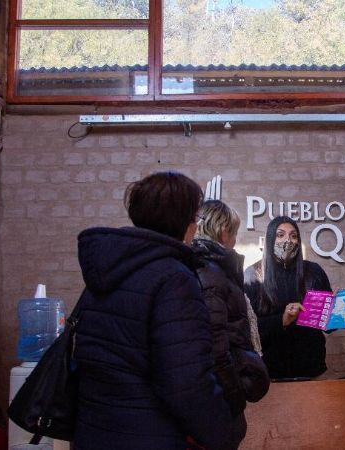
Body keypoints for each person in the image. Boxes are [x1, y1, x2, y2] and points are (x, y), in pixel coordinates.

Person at [72, 172, 231, 450]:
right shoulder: (174, 278)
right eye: (194, 217)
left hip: (95, 431)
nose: (195, 225)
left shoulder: (106, 271)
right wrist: (223, 436)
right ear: (183, 221)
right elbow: (186, 382)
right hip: (151, 435)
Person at [191, 200, 270, 449]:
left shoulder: (205, 268)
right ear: (223, 232)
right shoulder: (211, 273)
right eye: (234, 233)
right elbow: (216, 346)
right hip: (217, 400)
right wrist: (235, 397)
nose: (235, 241)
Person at [244, 215, 332, 379]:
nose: (288, 240)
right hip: (269, 371)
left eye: (293, 236)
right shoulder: (253, 275)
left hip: (311, 368)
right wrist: (282, 320)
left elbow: (328, 325)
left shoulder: (314, 272)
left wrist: (336, 311)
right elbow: (247, 328)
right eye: (280, 235)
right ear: (270, 239)